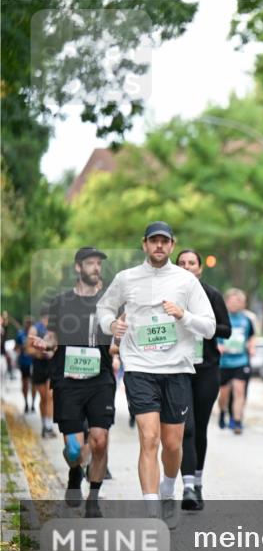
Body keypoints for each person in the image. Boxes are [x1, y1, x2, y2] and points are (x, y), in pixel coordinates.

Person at [96, 222, 216, 522]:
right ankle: (151, 510)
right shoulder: (126, 278)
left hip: (176, 370)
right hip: (139, 367)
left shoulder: (186, 282)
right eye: (153, 241)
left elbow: (210, 326)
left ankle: (168, 489)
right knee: (149, 438)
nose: (159, 246)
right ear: (144, 244)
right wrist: (112, 325)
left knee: (172, 444)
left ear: (172, 246)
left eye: (164, 241)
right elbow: (104, 308)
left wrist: (183, 315)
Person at [36, 247, 117, 515]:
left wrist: (120, 344)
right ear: (78, 268)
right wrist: (44, 344)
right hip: (67, 380)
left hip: (100, 378)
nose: (96, 267)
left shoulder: (109, 301)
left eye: (99, 264)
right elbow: (53, 337)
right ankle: (75, 472)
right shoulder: (61, 301)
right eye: (90, 263)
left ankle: (93, 497)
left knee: (99, 440)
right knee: (73, 448)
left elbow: (116, 338)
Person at [176, 249, 231, 511]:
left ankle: (197, 482)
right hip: (178, 369)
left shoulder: (211, 295)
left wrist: (196, 324)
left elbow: (226, 330)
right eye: (182, 263)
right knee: (186, 427)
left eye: (192, 263)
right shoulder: (168, 295)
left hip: (207, 369)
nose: (187, 267)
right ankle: (187, 486)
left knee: (199, 427)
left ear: (200, 268)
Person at [217, 288, 254, 435]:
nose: (235, 303)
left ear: (243, 303)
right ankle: (222, 410)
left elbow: (252, 336)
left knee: (239, 391)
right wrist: (218, 346)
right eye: (232, 300)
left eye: (238, 301)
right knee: (224, 395)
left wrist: (251, 346)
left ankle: (237, 422)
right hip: (224, 362)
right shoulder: (220, 318)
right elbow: (211, 335)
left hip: (241, 361)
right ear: (226, 302)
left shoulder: (247, 320)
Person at [27, 312, 57, 438]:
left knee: (50, 396)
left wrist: (52, 351)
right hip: (39, 365)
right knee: (44, 397)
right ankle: (44, 424)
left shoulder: (56, 328)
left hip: (52, 366)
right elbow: (28, 349)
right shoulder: (35, 329)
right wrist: (40, 353)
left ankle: (49, 427)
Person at [14, 317, 35, 413]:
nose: (28, 325)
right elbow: (16, 348)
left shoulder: (35, 334)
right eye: (27, 323)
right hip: (24, 362)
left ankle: (33, 404)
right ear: (24, 324)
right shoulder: (20, 334)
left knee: (34, 384)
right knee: (25, 384)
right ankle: (26, 402)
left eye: (30, 323)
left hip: (35, 362)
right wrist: (21, 347)